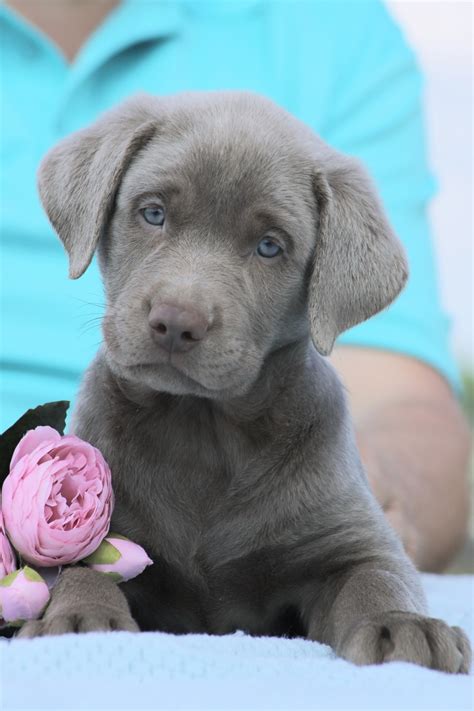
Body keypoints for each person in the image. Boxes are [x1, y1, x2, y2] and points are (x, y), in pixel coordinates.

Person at [1, 0, 469, 572]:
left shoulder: (329, 26)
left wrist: (355, 524)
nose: (182, 310)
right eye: (152, 213)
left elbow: (403, 405)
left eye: (268, 245)